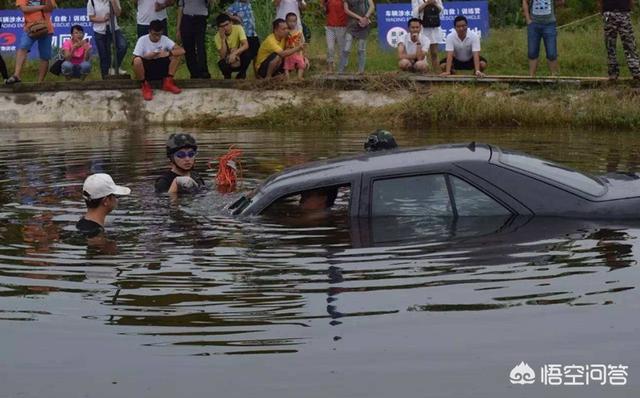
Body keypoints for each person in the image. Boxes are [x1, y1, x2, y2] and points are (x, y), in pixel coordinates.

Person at [6, 0, 57, 84]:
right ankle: (16, 75)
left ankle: (40, 82)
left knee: (45, 56)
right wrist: (41, 7)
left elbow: (50, 9)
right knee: (23, 47)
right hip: (29, 28)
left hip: (46, 28)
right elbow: (24, 9)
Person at [132, 19, 185, 101]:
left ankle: (168, 81)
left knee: (177, 55)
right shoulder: (142, 40)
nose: (157, 37)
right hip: (147, 68)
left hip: (161, 66)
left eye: (159, 35)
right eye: (154, 34)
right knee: (137, 60)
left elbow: (182, 50)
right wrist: (146, 56)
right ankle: (144, 85)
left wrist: (168, 53)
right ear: (149, 31)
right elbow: (134, 59)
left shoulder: (164, 39)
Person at [76, 173, 131, 238]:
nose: (117, 199)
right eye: (115, 196)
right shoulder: (97, 236)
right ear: (106, 201)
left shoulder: (79, 224)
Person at [597, 0, 640, 81]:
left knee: (629, 44)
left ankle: (636, 72)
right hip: (609, 14)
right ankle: (613, 73)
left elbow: (632, 1)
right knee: (610, 45)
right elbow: (599, 1)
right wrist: (602, 12)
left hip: (623, 13)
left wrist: (628, 10)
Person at [88, 0, 129, 78]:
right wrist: (103, 19)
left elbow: (118, 13)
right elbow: (91, 17)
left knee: (123, 45)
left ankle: (115, 67)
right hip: (99, 31)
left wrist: (113, 2)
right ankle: (105, 79)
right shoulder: (92, 1)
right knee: (104, 57)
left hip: (114, 28)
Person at [522, 0, 562, 77]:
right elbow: (524, 2)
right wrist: (528, 20)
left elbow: (561, 2)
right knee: (532, 52)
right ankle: (531, 77)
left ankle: (554, 77)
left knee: (552, 53)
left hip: (549, 24)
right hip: (534, 24)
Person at [176, 0, 211, 79]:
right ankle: (194, 73)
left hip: (200, 18)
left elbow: (210, 2)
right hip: (186, 18)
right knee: (188, 47)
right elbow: (180, 8)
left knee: (200, 46)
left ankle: (204, 72)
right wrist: (178, 28)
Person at [339, 0, 375, 74]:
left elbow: (372, 6)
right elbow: (346, 10)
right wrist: (359, 18)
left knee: (361, 49)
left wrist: (366, 17)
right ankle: (341, 70)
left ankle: (360, 71)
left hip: (364, 24)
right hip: (352, 24)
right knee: (346, 48)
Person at [214, 13, 251, 79]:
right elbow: (222, 56)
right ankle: (227, 77)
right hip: (228, 60)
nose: (225, 28)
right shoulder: (217, 37)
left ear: (231, 23)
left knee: (247, 54)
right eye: (222, 26)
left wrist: (234, 53)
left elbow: (246, 45)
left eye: (227, 24)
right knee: (221, 63)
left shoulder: (238, 28)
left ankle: (241, 74)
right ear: (219, 28)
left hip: (238, 56)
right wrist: (223, 39)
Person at [412, 0, 443, 73]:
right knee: (423, 53)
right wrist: (427, 3)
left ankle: (436, 72)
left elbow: (441, 10)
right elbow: (415, 12)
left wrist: (435, 4)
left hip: (434, 27)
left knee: (434, 52)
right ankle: (424, 72)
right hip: (423, 27)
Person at [227, 0, 260, 67]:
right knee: (245, 55)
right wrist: (235, 17)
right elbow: (226, 14)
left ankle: (257, 74)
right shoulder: (236, 4)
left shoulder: (251, 4)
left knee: (256, 55)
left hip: (253, 33)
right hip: (244, 34)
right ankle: (242, 72)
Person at [324, 0, 347, 73]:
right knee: (330, 48)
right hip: (330, 26)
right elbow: (325, 10)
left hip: (342, 26)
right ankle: (330, 68)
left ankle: (342, 68)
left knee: (341, 49)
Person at [284, 12, 307, 79]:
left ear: (296, 22)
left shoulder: (299, 32)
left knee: (301, 64)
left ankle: (299, 77)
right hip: (288, 52)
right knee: (287, 67)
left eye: (294, 21)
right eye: (290, 21)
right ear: (286, 21)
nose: (292, 23)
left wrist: (304, 54)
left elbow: (302, 43)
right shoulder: (285, 32)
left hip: (297, 53)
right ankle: (287, 79)